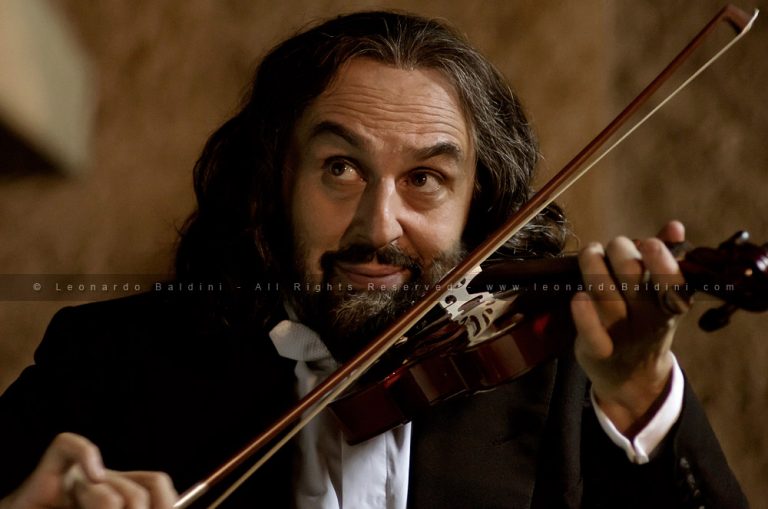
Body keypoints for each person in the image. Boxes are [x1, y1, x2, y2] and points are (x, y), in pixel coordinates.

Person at [0, 10, 748, 509]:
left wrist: (643, 397)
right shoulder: (105, 361)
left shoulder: (575, 384)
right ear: (274, 182)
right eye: (341, 168)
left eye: (425, 178)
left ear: (480, 205)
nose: (378, 223)